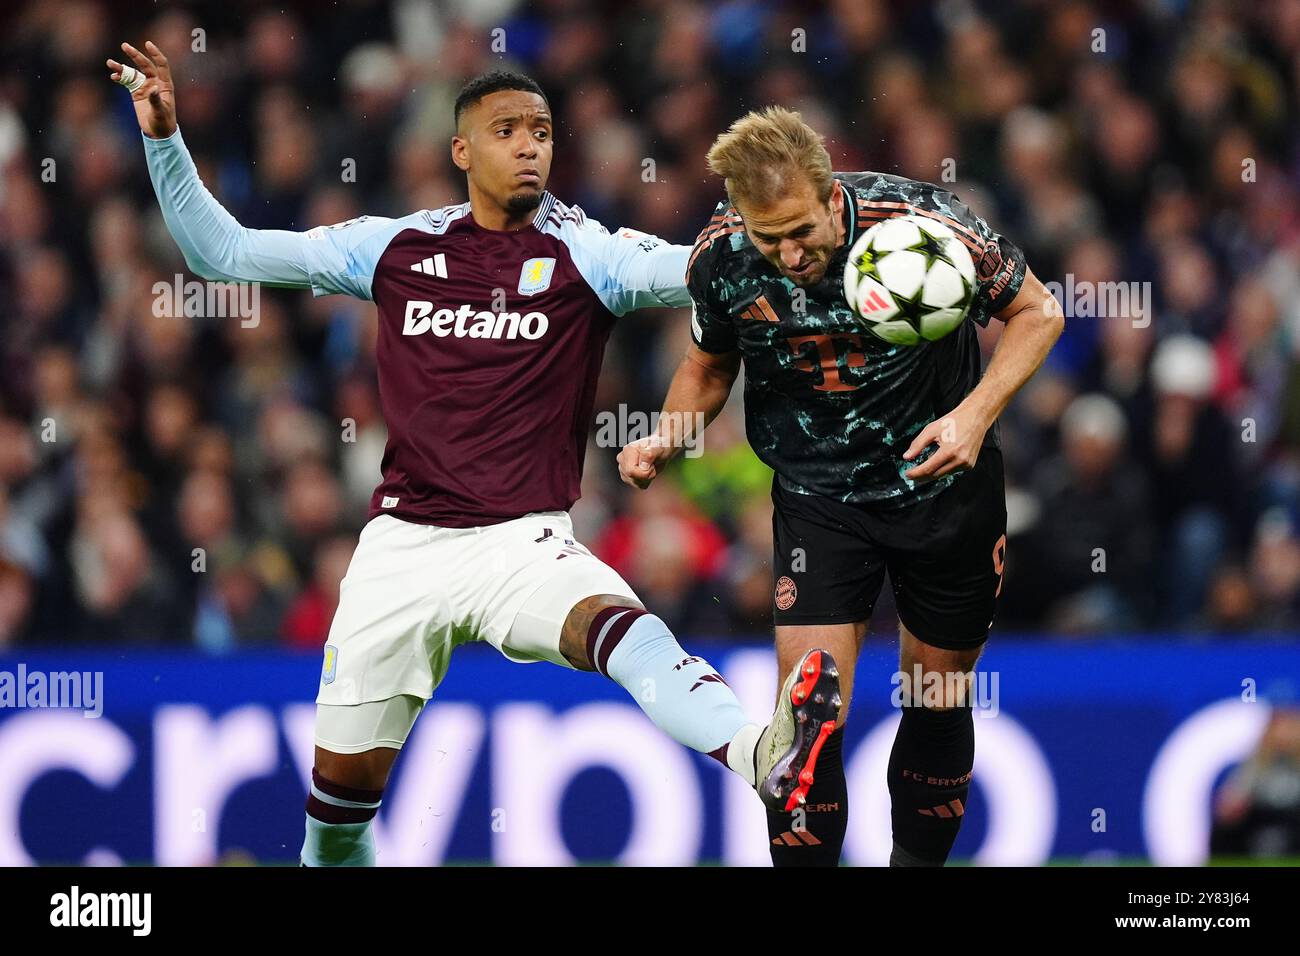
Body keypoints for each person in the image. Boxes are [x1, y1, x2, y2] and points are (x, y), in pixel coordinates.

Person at [108, 43, 840, 865]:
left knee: (627, 634)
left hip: (520, 543)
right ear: (462, 151)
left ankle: (763, 755)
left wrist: (792, 240)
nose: (531, 145)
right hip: (399, 554)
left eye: (543, 131)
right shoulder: (393, 249)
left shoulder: (589, 254)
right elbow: (224, 254)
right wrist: (165, 138)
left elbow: (698, 271)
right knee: (337, 825)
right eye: (507, 131)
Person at [619, 107, 1062, 866]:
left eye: (800, 231)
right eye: (769, 238)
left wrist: (971, 417)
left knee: (935, 696)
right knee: (805, 718)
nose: (788, 254)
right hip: (818, 498)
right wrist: (668, 432)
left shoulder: (924, 223)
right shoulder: (721, 257)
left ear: (831, 197)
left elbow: (1038, 311)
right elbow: (707, 366)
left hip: (943, 489)